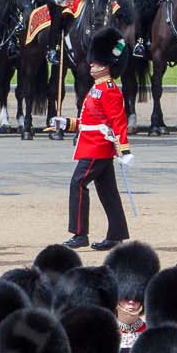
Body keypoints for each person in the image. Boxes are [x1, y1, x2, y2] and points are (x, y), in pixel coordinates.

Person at [61, 29, 131, 250]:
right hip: (92, 143)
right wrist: (66, 123)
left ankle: (80, 233)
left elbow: (118, 121)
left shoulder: (109, 90)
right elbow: (89, 121)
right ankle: (116, 234)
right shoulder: (97, 88)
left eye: (96, 62)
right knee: (107, 190)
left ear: (107, 65)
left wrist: (125, 150)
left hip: (98, 147)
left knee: (78, 183)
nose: (91, 65)